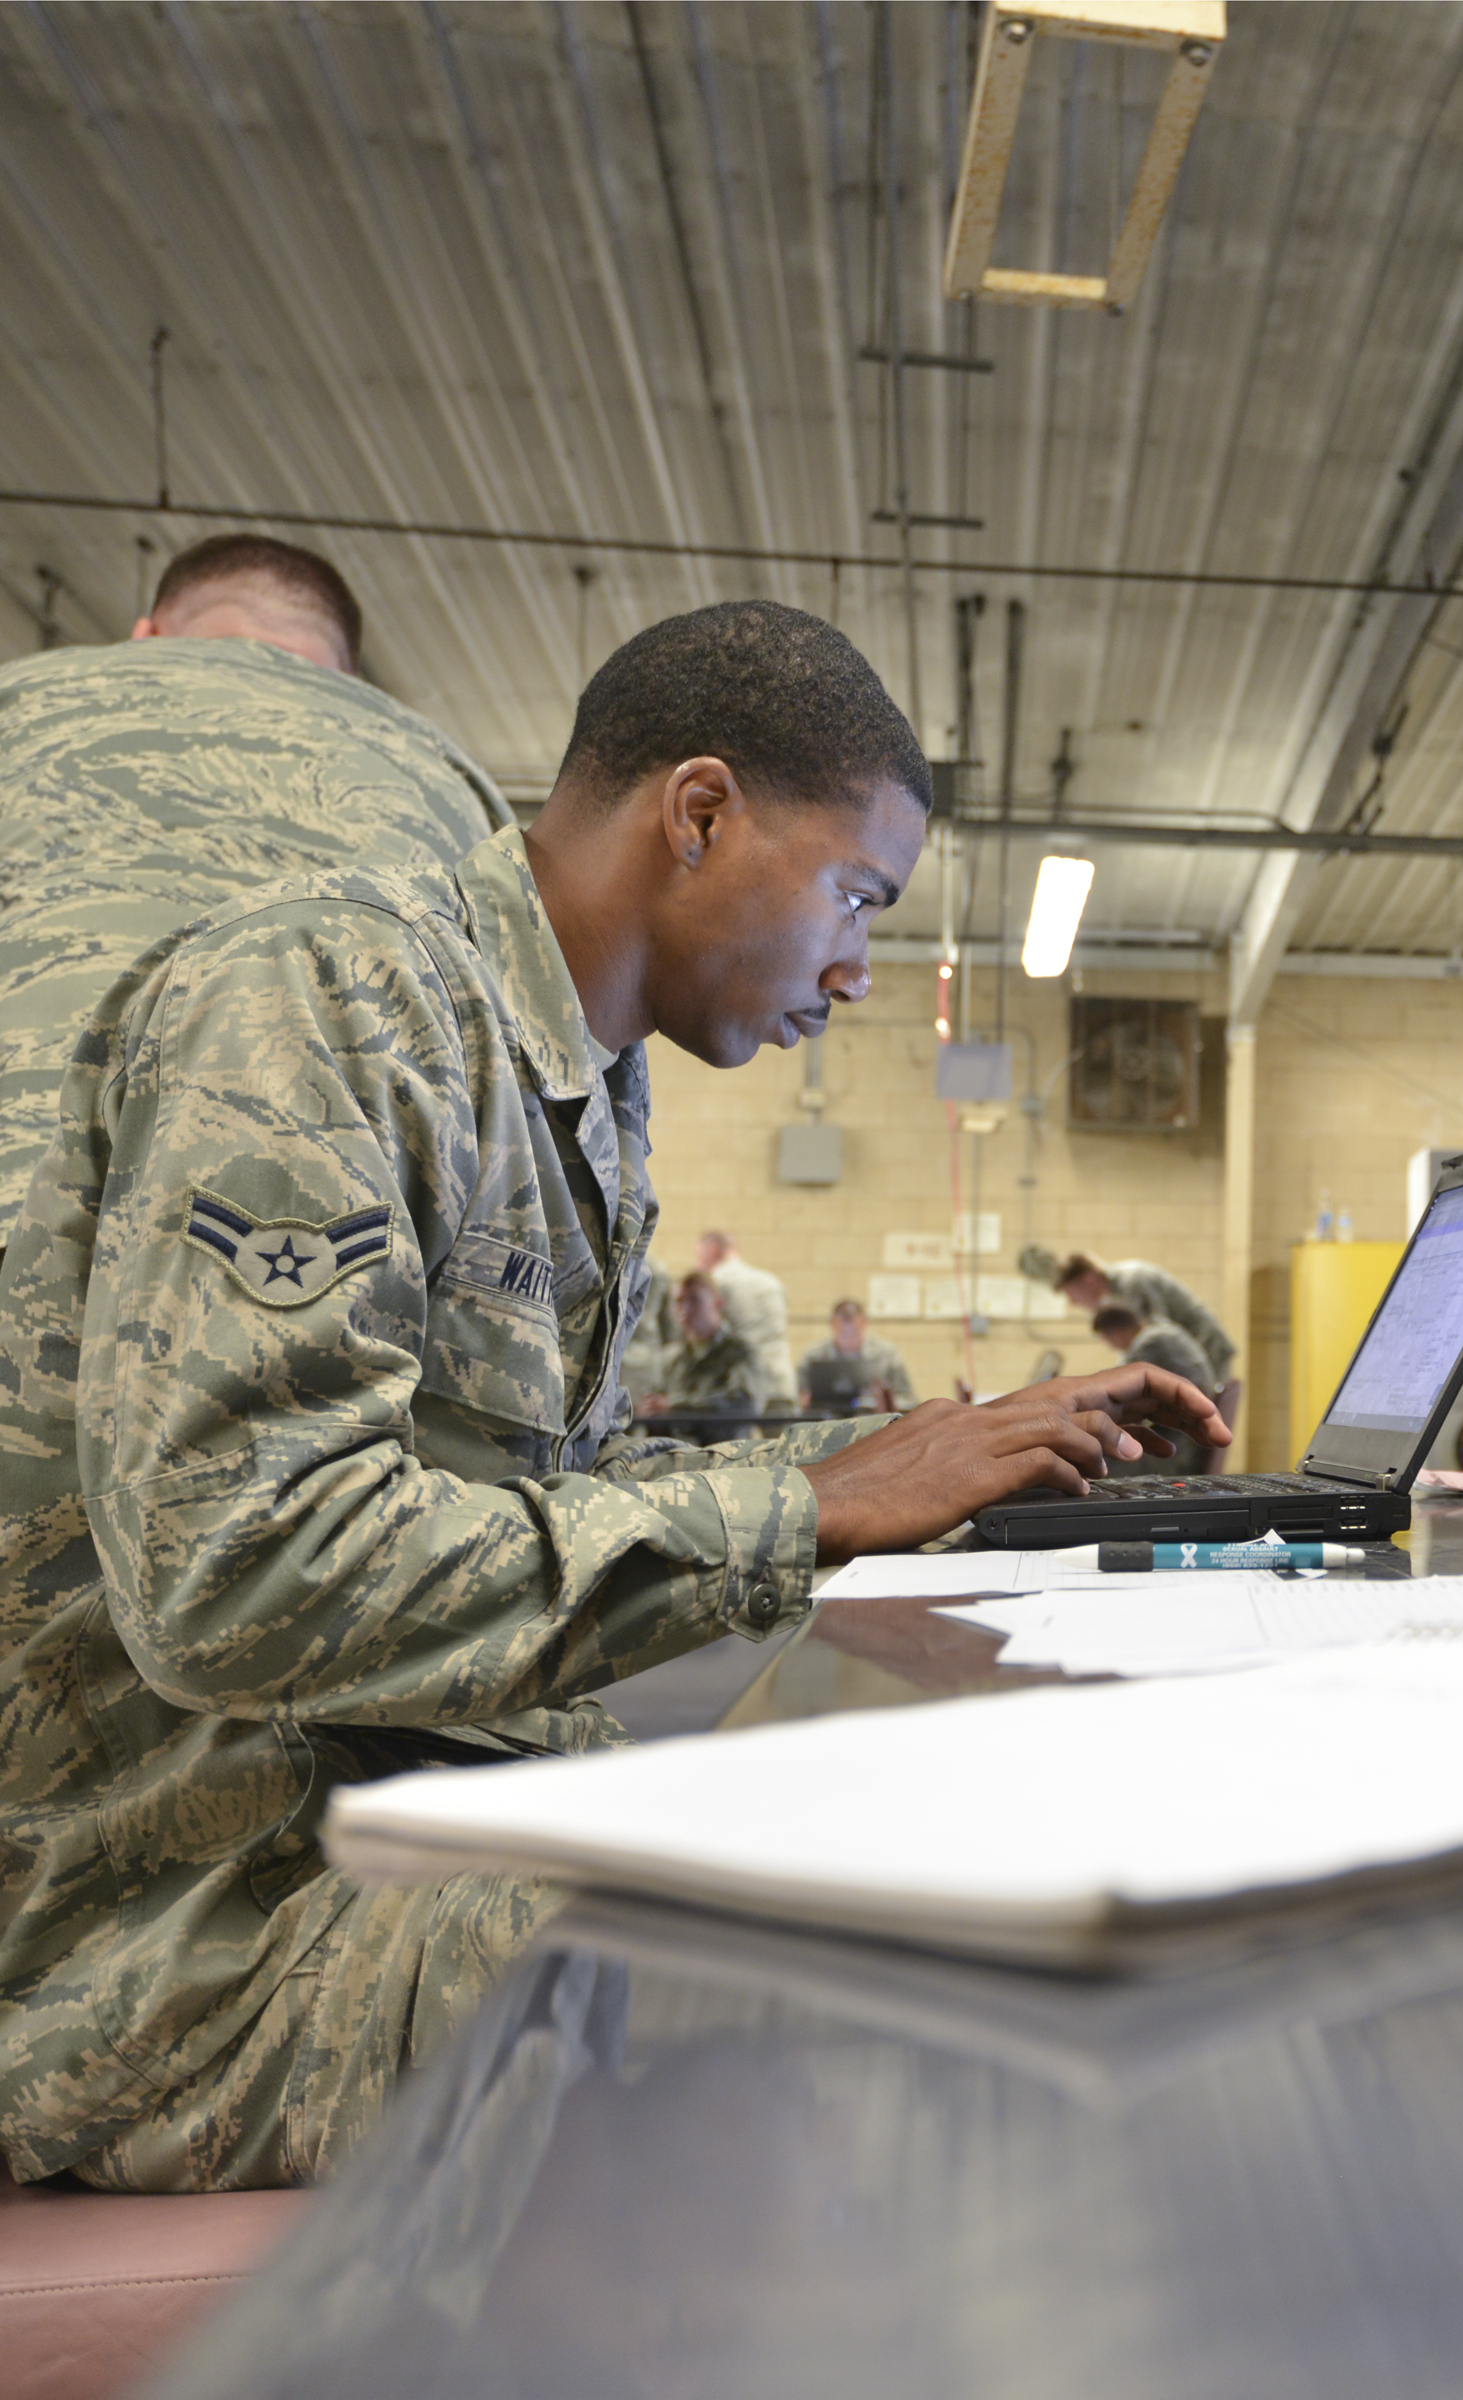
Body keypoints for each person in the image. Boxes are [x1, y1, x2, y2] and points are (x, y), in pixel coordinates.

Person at [0, 598, 1226, 2194]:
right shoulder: (335, 993)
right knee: (919, 1971)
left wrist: (905, 1453)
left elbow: (543, 1476)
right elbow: (236, 1570)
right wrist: (803, 1506)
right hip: (181, 1934)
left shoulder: (577, 1074)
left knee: (978, 1850)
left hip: (387, 1794)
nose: (859, 967)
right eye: (857, 895)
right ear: (700, 813)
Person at [0, 534, 511, 1219]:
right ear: (348, 681)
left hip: (22, 1189)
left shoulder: (20, 703)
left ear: (144, 637)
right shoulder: (448, 785)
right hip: (308, 1247)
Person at [1029, 1244, 1241, 1455]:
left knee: (1198, 1431)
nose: (1074, 1302)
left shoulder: (1132, 1283)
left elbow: (1157, 1346)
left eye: (1072, 1293)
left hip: (1208, 1351)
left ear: (1088, 1280)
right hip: (1196, 1356)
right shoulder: (1120, 1290)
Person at [1090, 1302, 1218, 1473]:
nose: (1110, 1346)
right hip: (1190, 1440)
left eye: (1107, 1339)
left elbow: (1120, 1396)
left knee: (1098, 1459)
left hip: (1178, 1447)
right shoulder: (1165, 1332)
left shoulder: (1150, 1344)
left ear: (1117, 1332)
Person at [640, 1273, 761, 1425]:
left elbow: (742, 1404)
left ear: (717, 1304)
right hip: (678, 1446)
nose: (685, 1309)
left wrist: (675, 1408)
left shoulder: (739, 1352)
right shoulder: (671, 1359)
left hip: (725, 1446)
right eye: (679, 1302)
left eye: (694, 1300)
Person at [695, 1229, 794, 1410]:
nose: (698, 1265)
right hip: (780, 1380)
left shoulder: (716, 1282)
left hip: (743, 1383)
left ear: (713, 1251)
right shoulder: (771, 1281)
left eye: (699, 1257)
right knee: (786, 1438)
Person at [800, 1298, 912, 1414]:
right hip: (826, 1422)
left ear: (864, 1322)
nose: (848, 1327)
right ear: (832, 1323)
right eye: (843, 1323)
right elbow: (799, 1398)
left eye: (853, 1324)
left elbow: (907, 1398)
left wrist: (887, 1401)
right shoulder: (813, 1356)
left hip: (875, 1421)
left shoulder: (887, 1355)